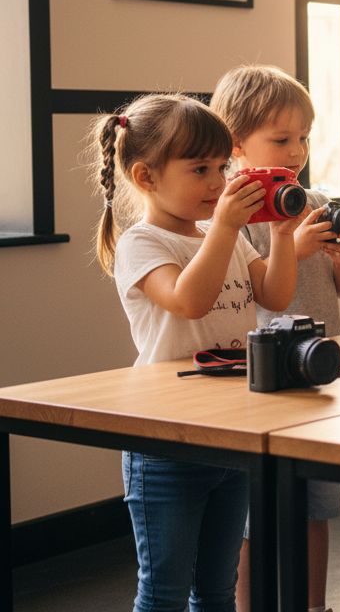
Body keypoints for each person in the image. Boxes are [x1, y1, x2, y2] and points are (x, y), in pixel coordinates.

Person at [88, 93, 299, 612]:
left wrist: (283, 235)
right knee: (163, 592)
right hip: (165, 441)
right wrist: (226, 229)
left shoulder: (218, 235)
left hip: (230, 431)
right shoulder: (143, 243)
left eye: (222, 167)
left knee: (216, 589)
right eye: (200, 168)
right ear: (146, 177)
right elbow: (189, 301)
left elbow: (274, 295)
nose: (217, 182)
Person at [211, 64, 340, 612]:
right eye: (281, 139)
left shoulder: (314, 199)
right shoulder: (235, 216)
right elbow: (243, 297)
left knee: (317, 506)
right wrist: (291, 246)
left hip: (322, 372)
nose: (296, 150)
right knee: (256, 516)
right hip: (269, 376)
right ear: (235, 143)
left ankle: (313, 605)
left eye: (303, 137)